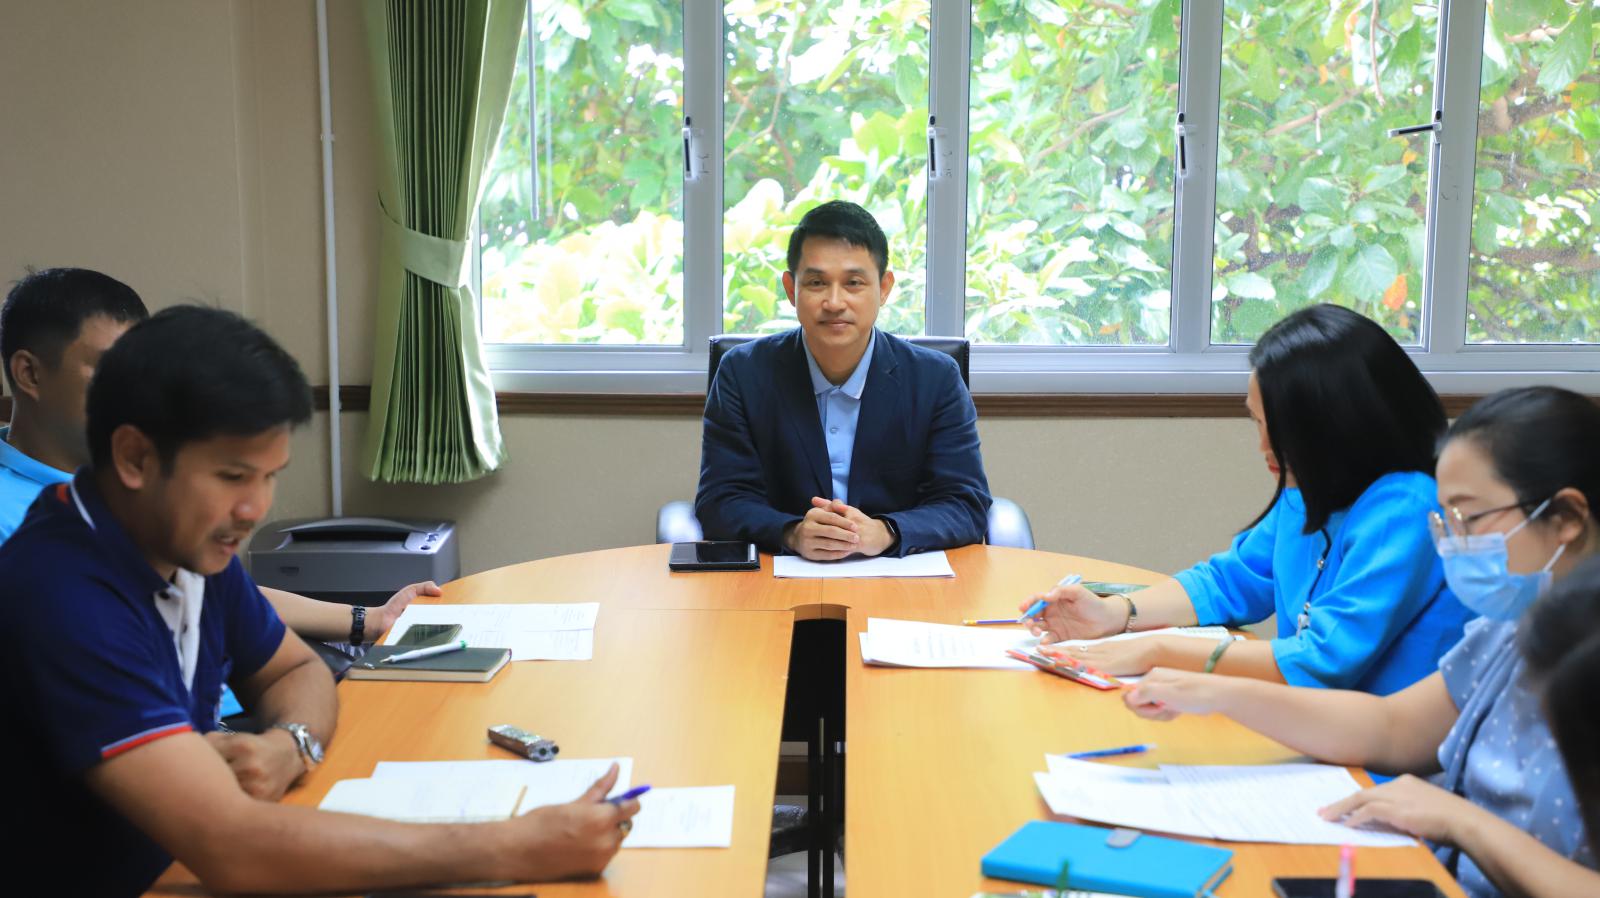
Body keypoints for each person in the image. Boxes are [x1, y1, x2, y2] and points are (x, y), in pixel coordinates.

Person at [0, 306, 638, 896]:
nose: (254, 509)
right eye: (232, 476)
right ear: (135, 457)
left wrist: (292, 743)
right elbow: (232, 848)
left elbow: (295, 668)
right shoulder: (62, 593)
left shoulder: (178, 539)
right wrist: (514, 846)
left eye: (269, 477)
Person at [1122, 386, 1600, 898]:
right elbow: (1391, 728)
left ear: (1567, 518)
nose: (1455, 543)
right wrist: (1217, 693)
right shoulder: (1511, 629)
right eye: (1446, 521)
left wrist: (1464, 823)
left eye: (1471, 517)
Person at [1023, 304, 1470, 693]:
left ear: (1337, 425)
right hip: (1317, 727)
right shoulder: (1309, 494)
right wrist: (1114, 613)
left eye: (1277, 430)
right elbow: (1227, 582)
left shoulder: (1405, 508)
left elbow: (1324, 659)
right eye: (1258, 423)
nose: (1263, 447)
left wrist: (1157, 650)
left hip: (1381, 752)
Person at [0, 268, 437, 650]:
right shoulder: (17, 519)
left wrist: (368, 619)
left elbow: (217, 591)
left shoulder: (133, 476)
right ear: (30, 373)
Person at [695, 200, 991, 560]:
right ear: (791, 289)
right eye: (817, 282)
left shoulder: (936, 379)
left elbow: (965, 503)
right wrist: (792, 532)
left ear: (884, 287)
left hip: (900, 577)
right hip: (780, 574)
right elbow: (720, 501)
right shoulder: (743, 373)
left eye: (853, 283)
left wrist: (886, 532)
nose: (834, 302)